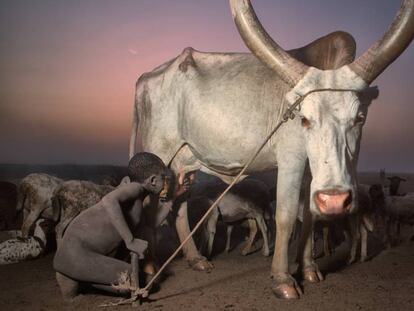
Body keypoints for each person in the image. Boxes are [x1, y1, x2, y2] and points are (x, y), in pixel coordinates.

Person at [53, 152, 174, 300]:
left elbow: (150, 224)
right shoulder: (135, 189)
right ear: (153, 180)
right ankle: (80, 279)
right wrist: (130, 241)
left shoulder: (137, 198)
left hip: (74, 253)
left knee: (137, 279)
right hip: (76, 255)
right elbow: (109, 201)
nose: (165, 182)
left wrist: (171, 202)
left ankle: (75, 276)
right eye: (163, 177)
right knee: (143, 282)